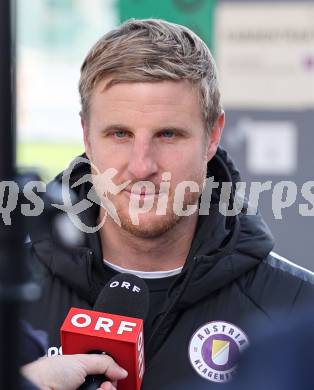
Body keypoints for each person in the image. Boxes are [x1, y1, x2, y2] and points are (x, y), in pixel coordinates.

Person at [23, 19, 314, 389]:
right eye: (120, 134)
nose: (142, 165)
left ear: (212, 136)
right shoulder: (11, 292)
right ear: (87, 136)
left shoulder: (298, 307)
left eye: (168, 134)